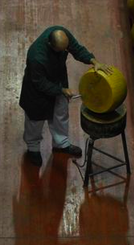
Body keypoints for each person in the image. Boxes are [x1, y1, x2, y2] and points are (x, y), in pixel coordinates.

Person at [19, 26, 113, 166]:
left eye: (65, 48)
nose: (65, 51)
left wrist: (94, 61)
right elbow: (41, 84)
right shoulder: (36, 57)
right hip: (36, 91)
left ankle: (61, 143)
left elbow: (77, 49)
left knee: (60, 113)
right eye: (61, 50)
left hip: (58, 79)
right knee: (35, 120)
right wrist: (61, 90)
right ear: (50, 45)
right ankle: (33, 147)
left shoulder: (61, 34)